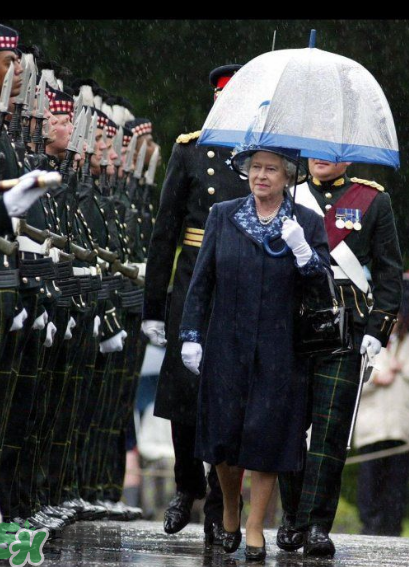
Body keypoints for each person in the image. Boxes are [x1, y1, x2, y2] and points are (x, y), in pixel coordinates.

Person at [179, 147, 331, 561]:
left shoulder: (307, 223)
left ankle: (255, 525)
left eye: (271, 170)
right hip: (227, 340)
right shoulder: (223, 215)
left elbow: (323, 292)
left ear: (288, 178)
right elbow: (202, 279)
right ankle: (231, 507)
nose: (260, 176)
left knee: (268, 437)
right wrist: (191, 334)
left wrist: (304, 253)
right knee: (224, 438)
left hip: (280, 346)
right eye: (255, 168)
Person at [142, 64, 248, 545]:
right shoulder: (190, 150)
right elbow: (164, 233)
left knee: (230, 394)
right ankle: (187, 485)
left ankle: (220, 497)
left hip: (241, 280)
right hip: (191, 278)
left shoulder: (263, 153)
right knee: (184, 393)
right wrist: (152, 307)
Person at [277, 158, 403, 557]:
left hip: (346, 325)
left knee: (331, 431)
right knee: (289, 427)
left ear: (347, 154)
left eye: (332, 146)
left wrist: (378, 330)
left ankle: (317, 524)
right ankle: (292, 517)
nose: (321, 155)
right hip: (293, 322)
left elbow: (388, 271)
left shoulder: (372, 200)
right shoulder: (288, 193)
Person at [353, 313, 409, 536]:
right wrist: (376, 380)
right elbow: (355, 377)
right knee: (370, 480)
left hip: (403, 427)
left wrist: (405, 370)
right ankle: (370, 526)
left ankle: (393, 527)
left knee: (397, 483)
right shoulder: (368, 344)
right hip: (373, 427)